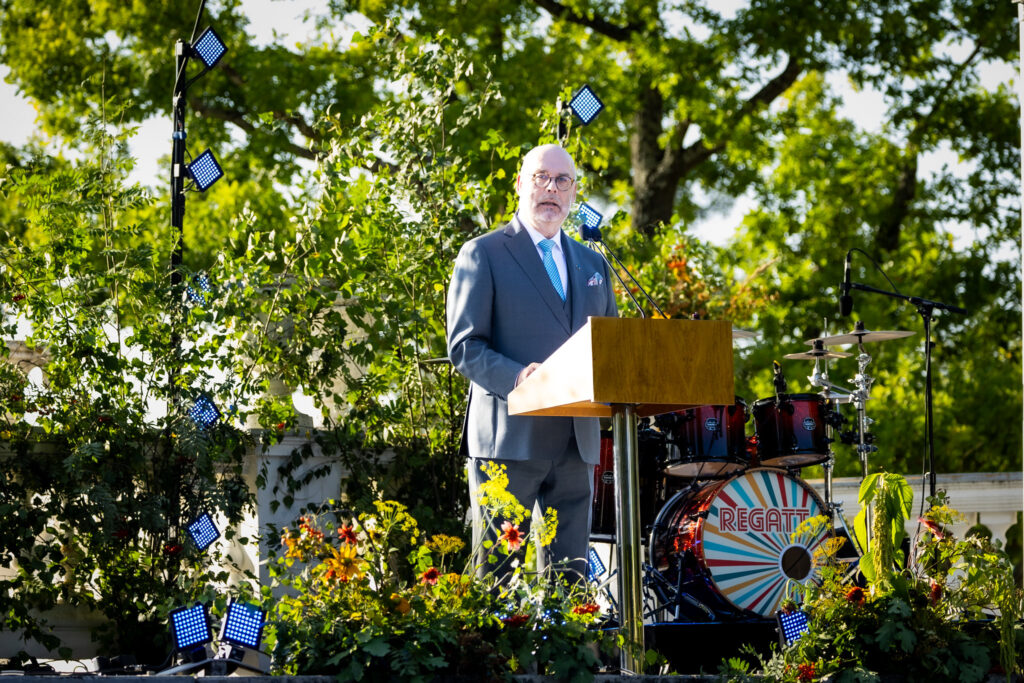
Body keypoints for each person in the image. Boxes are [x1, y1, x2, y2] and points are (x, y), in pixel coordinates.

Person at [446, 143, 618, 580]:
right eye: (541, 177)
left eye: (563, 181)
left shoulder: (592, 262)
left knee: (572, 583)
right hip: (508, 440)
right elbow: (465, 346)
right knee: (498, 583)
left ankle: (566, 650)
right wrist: (519, 377)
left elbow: (611, 345)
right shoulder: (483, 253)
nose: (551, 189)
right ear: (520, 184)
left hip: (576, 443)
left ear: (574, 192)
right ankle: (498, 652)